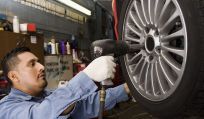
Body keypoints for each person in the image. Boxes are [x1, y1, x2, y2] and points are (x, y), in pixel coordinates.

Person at [0, 47, 130, 119]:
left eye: (39, 62)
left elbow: (85, 106)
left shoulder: (47, 96)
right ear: (14, 76)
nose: (41, 66)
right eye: (32, 64)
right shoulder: (6, 109)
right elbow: (40, 114)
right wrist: (86, 76)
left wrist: (127, 89)